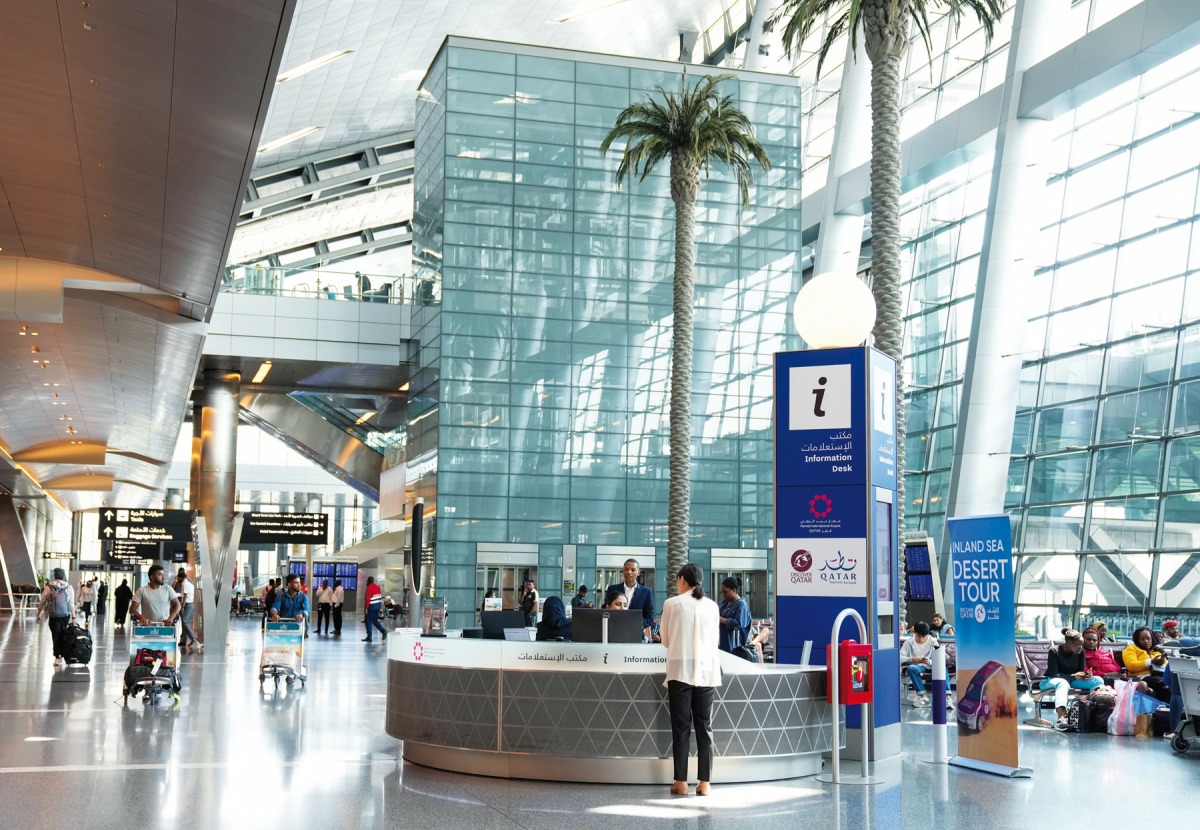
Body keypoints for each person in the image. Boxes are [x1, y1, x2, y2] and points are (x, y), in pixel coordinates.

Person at [660, 563, 720, 797]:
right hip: (706, 671)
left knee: (681, 727)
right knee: (704, 727)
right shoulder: (712, 606)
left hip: (680, 671)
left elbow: (665, 640)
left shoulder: (672, 604)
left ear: (682, 580)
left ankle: (681, 782)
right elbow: (715, 640)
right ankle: (705, 783)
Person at [1042, 628, 1103, 730]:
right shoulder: (1054, 651)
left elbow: (1080, 671)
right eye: (1078, 645)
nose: (1081, 648)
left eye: (1081, 645)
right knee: (1063, 683)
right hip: (1051, 680)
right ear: (1069, 643)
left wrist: (1086, 675)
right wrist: (1074, 676)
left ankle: (1090, 713)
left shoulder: (1081, 652)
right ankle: (1061, 719)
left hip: (1071, 681)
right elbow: (1054, 674)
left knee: (1098, 680)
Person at [35, 568, 76, 667]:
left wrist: (38, 615)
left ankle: (57, 657)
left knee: (56, 635)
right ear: (63, 576)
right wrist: (74, 617)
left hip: (54, 615)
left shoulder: (49, 586)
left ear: (55, 576)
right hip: (65, 615)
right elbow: (71, 603)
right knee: (64, 634)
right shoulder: (69, 587)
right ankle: (64, 655)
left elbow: (42, 601)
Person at [606, 558, 655, 640]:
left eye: (633, 570)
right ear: (623, 571)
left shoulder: (646, 592)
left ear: (638, 572)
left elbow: (650, 618)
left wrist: (635, 624)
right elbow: (605, 610)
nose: (629, 572)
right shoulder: (612, 589)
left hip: (636, 635)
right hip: (614, 633)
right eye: (626, 569)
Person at [1122, 626, 1170, 702]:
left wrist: (1163, 661)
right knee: (1164, 683)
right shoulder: (1131, 649)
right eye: (1142, 639)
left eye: (1148, 638)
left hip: (1160, 675)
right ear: (1137, 640)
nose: (1146, 641)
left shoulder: (1157, 651)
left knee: (1174, 682)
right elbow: (1130, 666)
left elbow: (1167, 667)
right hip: (1141, 677)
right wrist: (1151, 661)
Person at [900, 621, 938, 706]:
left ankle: (947, 698)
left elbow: (940, 658)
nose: (921, 639)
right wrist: (912, 659)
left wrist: (930, 661)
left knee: (943, 669)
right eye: (918, 636)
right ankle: (923, 696)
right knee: (911, 668)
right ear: (914, 633)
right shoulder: (908, 643)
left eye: (923, 636)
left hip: (931, 666)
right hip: (918, 667)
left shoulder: (933, 642)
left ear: (927, 634)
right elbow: (899, 658)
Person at [717, 577, 752, 657]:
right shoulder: (725, 604)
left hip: (734, 647)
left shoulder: (741, 605)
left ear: (734, 590)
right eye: (722, 592)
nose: (723, 595)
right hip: (723, 645)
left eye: (725, 592)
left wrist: (721, 619)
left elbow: (738, 624)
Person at [176, 568, 200, 651]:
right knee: (186, 623)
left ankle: (193, 639)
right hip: (191, 604)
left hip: (187, 605)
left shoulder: (185, 584)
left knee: (185, 622)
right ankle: (184, 640)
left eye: (178, 578)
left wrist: (182, 606)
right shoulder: (190, 584)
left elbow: (185, 596)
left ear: (180, 578)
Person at [363, 576, 387, 643]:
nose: (366, 582)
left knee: (368, 621)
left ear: (368, 581)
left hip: (371, 607)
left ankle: (369, 637)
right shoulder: (377, 587)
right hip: (377, 606)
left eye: (366, 581)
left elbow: (368, 600)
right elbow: (379, 597)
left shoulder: (369, 588)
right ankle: (383, 631)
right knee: (375, 620)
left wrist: (366, 608)